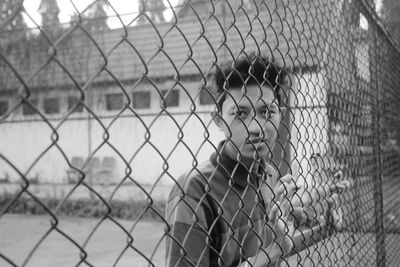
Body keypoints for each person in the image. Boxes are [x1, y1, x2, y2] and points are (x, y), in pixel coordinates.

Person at [164, 54, 349, 267]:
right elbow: (269, 254)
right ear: (218, 120)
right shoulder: (194, 190)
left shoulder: (268, 174)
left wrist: (325, 229)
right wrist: (268, 254)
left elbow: (277, 248)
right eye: (240, 113)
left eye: (266, 112)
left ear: (280, 116)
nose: (256, 128)